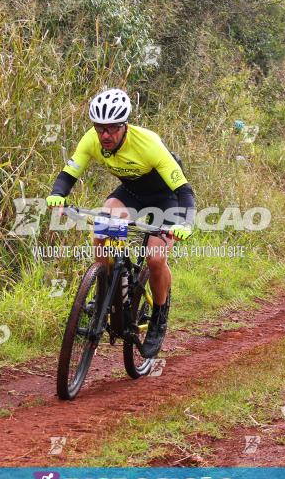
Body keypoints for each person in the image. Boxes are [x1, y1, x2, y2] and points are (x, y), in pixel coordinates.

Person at [46, 88, 196, 358]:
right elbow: (70, 172)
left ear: (124, 126)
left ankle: (159, 317)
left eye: (112, 129)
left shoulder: (148, 143)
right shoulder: (92, 140)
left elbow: (184, 190)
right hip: (132, 194)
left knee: (154, 258)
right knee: (105, 225)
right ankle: (106, 293)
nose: (105, 135)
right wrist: (58, 195)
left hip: (166, 198)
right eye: (100, 128)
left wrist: (184, 223)